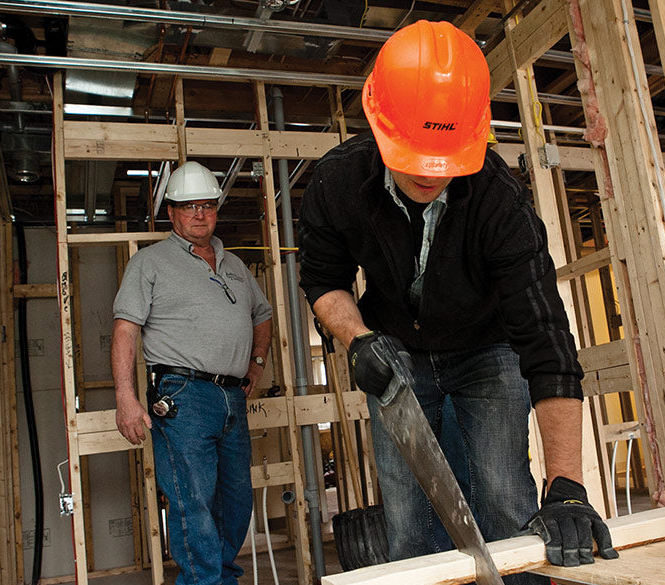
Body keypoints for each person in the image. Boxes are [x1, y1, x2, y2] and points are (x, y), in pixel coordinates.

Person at [298, 20, 617, 573]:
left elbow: (547, 342)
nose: (430, 174)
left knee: (503, 497)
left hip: (487, 349)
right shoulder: (336, 183)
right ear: (379, 125)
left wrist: (566, 484)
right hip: (393, 347)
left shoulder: (501, 203)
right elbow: (324, 278)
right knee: (407, 514)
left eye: (443, 159)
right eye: (415, 154)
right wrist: (358, 340)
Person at [112, 161, 273, 585]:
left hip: (231, 397)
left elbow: (262, 315)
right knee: (192, 502)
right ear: (171, 212)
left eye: (207, 205)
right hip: (182, 395)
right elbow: (125, 330)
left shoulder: (234, 264)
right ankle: (204, 581)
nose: (199, 214)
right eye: (188, 206)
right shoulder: (149, 263)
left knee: (236, 500)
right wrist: (126, 399)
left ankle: (220, 577)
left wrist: (256, 364)